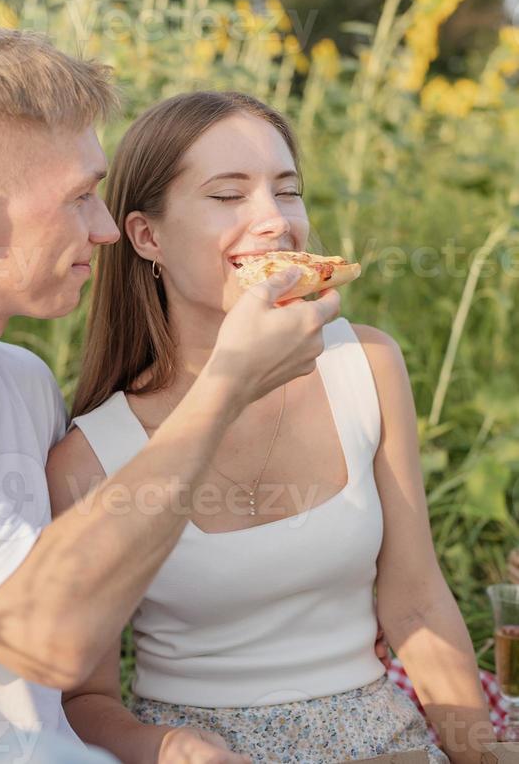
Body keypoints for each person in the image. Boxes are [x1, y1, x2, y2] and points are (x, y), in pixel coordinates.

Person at [0, 29, 340, 764]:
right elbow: (47, 638)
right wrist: (224, 388)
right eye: (82, 197)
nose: (108, 228)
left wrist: (167, 748)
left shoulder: (20, 383)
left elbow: (71, 688)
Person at [47, 90, 496, 764]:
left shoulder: (365, 365)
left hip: (386, 740)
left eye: (287, 192)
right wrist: (167, 748)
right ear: (147, 237)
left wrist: (481, 756)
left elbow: (417, 602)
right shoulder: (89, 459)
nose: (275, 222)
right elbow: (83, 701)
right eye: (228, 196)